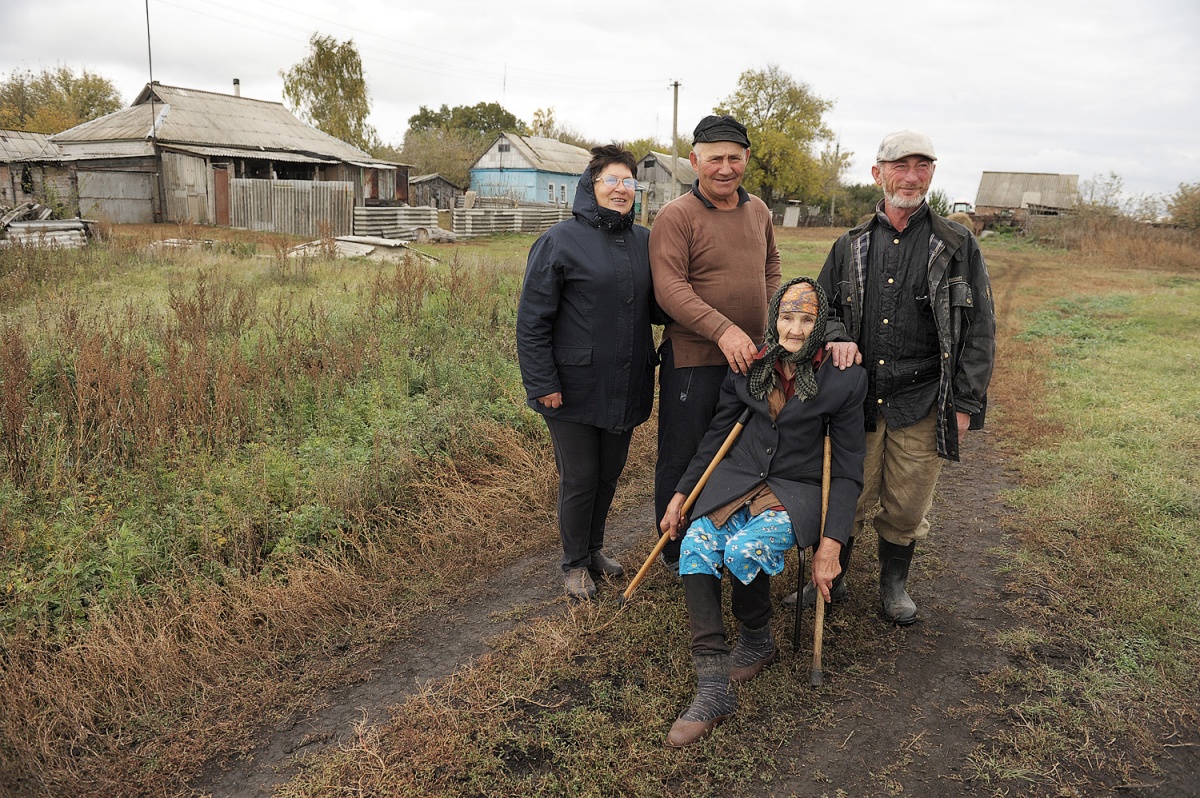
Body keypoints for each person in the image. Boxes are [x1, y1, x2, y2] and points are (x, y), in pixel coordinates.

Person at [659, 278, 867, 747]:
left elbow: (850, 469)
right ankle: (712, 686)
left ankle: (756, 637)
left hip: (798, 491)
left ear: (821, 324)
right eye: (787, 317)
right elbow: (717, 435)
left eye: (806, 319)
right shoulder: (751, 365)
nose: (794, 329)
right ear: (774, 317)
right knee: (694, 544)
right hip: (739, 478)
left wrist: (831, 545)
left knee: (744, 549)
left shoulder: (845, 375)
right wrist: (682, 494)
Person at [803, 129, 996, 625]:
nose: (911, 177)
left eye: (922, 167)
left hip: (924, 398)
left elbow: (979, 329)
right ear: (877, 173)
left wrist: (966, 405)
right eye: (899, 166)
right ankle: (833, 576)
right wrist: (838, 334)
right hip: (859, 400)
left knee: (908, 502)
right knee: (850, 493)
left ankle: (893, 584)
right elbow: (821, 309)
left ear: (932, 172)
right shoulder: (851, 245)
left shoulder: (956, 244)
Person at [516, 144, 661, 601]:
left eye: (629, 182)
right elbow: (532, 320)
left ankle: (595, 549)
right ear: (590, 185)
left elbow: (659, 306)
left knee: (609, 473)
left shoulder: (644, 241)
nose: (621, 189)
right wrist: (543, 384)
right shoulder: (559, 240)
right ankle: (574, 563)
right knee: (580, 476)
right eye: (611, 180)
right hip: (572, 388)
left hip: (627, 381)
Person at [650, 114, 781, 577]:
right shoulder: (676, 216)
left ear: (746, 159)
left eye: (734, 158)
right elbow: (670, 289)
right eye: (714, 159)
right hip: (696, 361)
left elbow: (771, 269)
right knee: (686, 455)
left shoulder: (759, 211)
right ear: (694, 161)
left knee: (739, 452)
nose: (725, 168)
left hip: (753, 361)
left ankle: (720, 536)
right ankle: (673, 549)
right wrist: (724, 330)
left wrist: (774, 327)